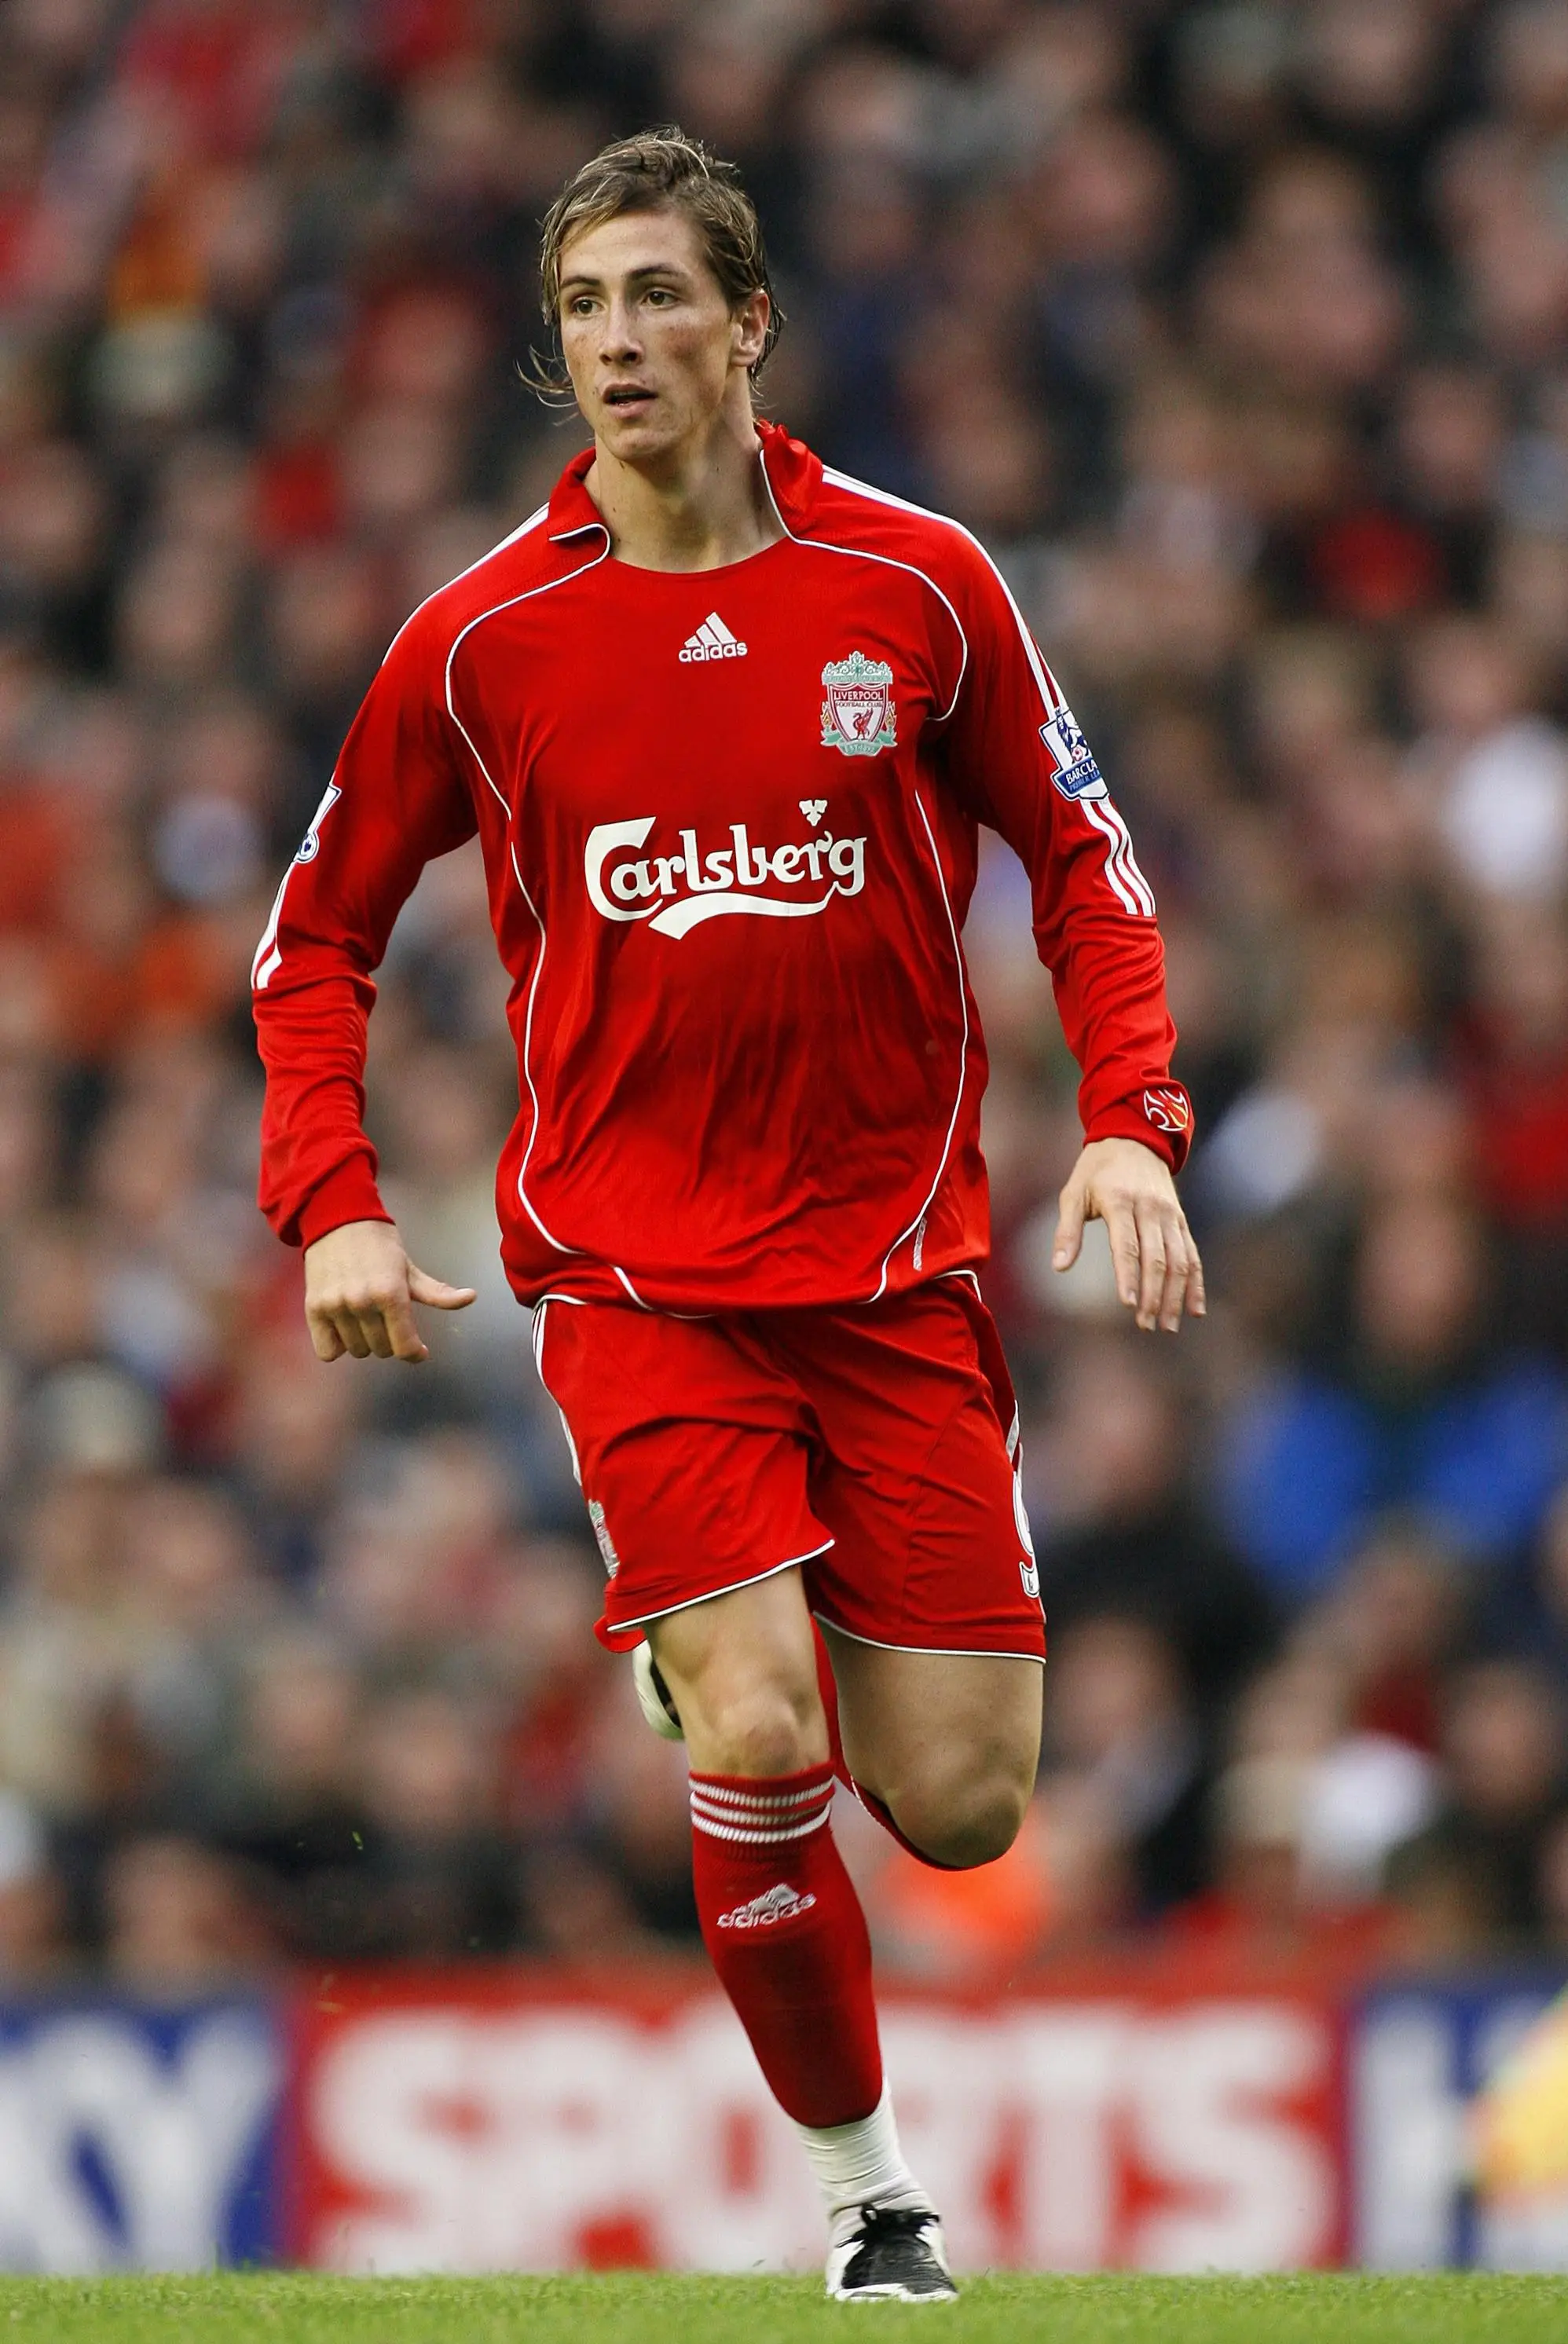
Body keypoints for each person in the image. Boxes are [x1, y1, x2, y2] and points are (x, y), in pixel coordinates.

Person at [251, 129, 1203, 2302]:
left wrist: (1131, 1121)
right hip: (631, 1278)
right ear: (553, 350)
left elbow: (1080, 857)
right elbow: (312, 938)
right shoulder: (484, 640)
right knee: (766, 1727)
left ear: (747, 323)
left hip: (892, 1271)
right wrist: (330, 1200)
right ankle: (875, 2199)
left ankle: (754, 1662)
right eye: (584, 310)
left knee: (960, 1805)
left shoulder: (916, 587)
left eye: (659, 298)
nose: (619, 344)